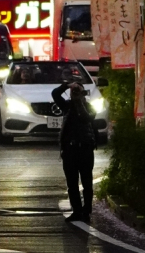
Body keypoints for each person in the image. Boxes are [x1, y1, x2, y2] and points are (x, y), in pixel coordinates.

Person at [51, 77, 97, 224]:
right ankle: (76, 211)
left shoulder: (89, 106)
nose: (74, 93)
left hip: (85, 149)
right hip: (70, 149)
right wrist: (67, 85)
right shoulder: (67, 106)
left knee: (87, 182)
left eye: (77, 91)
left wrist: (79, 101)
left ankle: (86, 211)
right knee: (72, 183)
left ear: (83, 93)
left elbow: (86, 118)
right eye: (73, 91)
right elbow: (55, 94)